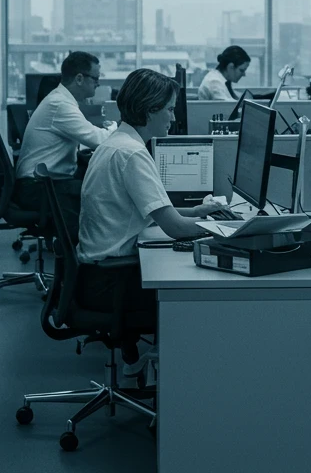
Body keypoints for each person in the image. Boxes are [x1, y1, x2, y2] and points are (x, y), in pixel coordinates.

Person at [76, 69, 227, 358]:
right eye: (169, 110)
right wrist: (229, 229)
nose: (173, 117)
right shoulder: (131, 154)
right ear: (149, 110)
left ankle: (143, 366)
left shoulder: (117, 143)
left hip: (95, 275)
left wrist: (196, 211)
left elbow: (151, 209)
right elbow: (176, 229)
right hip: (111, 283)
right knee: (201, 290)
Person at [14, 52, 115, 208]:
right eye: (95, 79)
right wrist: (117, 127)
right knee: (103, 193)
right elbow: (101, 141)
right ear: (79, 79)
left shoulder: (61, 100)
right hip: (37, 188)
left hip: (42, 183)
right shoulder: (60, 104)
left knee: (96, 183)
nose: (98, 84)